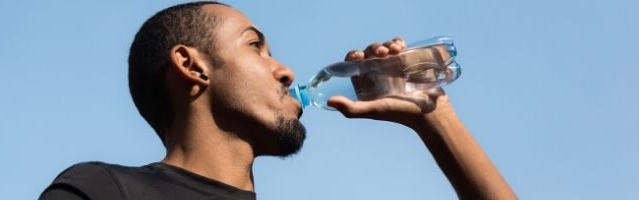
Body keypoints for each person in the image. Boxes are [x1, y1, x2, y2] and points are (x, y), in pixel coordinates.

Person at [39, 2, 516, 200]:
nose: (285, 70)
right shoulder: (104, 190)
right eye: (255, 46)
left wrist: (435, 118)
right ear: (192, 65)